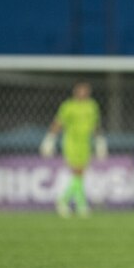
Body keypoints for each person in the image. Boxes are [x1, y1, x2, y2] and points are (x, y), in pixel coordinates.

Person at [39, 82, 107, 218]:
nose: (83, 93)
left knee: (80, 175)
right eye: (80, 90)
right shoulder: (68, 106)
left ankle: (79, 204)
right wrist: (49, 139)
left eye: (85, 91)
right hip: (71, 143)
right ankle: (65, 201)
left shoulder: (91, 106)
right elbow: (58, 123)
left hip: (85, 143)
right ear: (75, 92)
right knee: (77, 172)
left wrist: (100, 142)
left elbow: (95, 125)